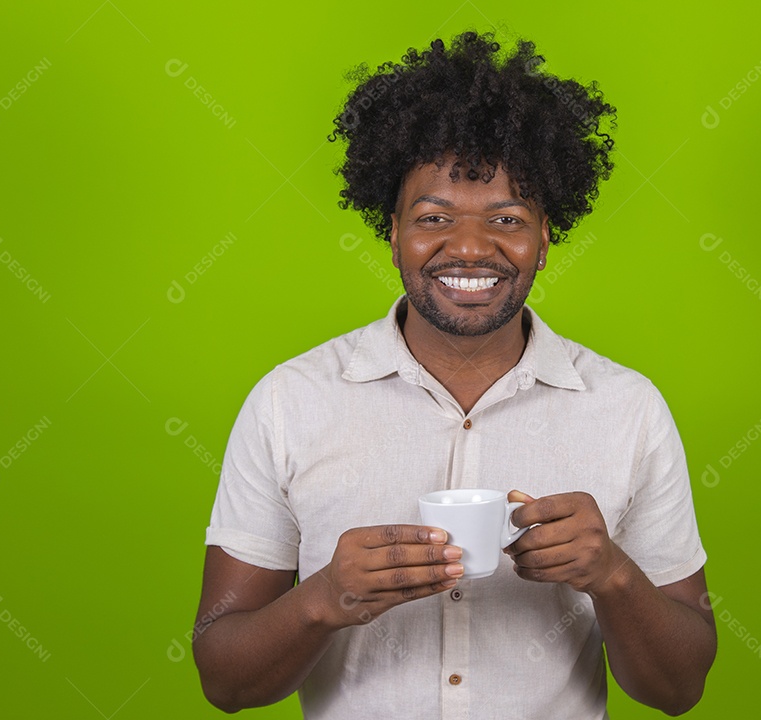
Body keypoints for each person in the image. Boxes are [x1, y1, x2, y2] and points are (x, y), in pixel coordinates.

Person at [192, 31, 716, 718]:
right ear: (393, 234)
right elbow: (226, 682)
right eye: (434, 217)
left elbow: (678, 690)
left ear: (544, 240)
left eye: (507, 219)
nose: (469, 247)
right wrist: (323, 599)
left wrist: (613, 575)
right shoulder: (289, 403)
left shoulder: (629, 410)